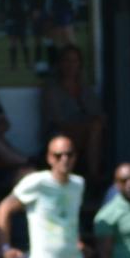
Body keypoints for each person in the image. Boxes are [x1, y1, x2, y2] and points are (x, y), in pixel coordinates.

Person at [41, 44, 105, 181]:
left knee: (97, 129)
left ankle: (93, 176)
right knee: (92, 130)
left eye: (74, 61)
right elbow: (57, 120)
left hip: (86, 131)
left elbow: (97, 113)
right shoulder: (52, 89)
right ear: (60, 64)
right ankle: (92, 175)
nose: (70, 65)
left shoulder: (85, 88)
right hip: (58, 131)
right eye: (67, 61)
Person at [0, 0, 31, 70]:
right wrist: (3, 13)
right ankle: (13, 65)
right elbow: (2, 1)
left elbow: (27, 1)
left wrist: (27, 12)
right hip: (11, 17)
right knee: (12, 41)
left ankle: (28, 63)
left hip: (21, 17)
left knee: (24, 41)